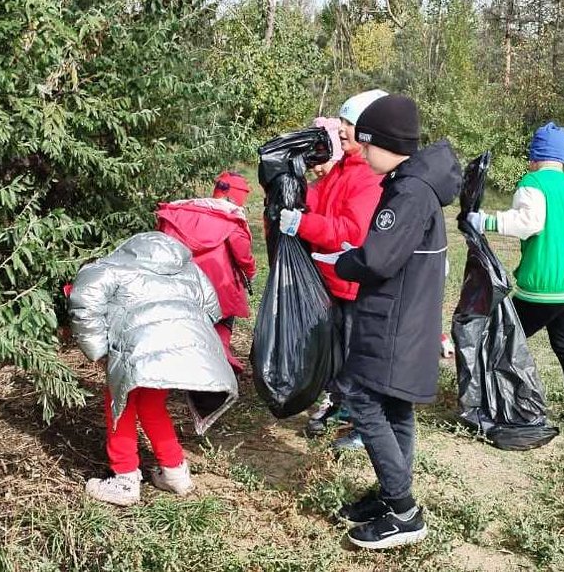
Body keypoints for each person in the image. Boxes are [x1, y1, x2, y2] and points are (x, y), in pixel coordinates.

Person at [313, 94, 462, 549]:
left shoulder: (410, 192)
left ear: (383, 142)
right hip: (406, 315)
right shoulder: (413, 183)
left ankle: (404, 512)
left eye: (364, 140)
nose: (359, 147)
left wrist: (343, 262)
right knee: (394, 406)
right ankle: (389, 495)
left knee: (362, 399)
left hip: (393, 320)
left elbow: (377, 259)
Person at [69, 232, 238, 506]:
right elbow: (212, 309)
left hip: (137, 348)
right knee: (151, 404)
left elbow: (83, 304)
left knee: (120, 405)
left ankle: (124, 479)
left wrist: (97, 350)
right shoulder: (188, 268)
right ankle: (175, 471)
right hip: (177, 347)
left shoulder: (110, 267)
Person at [466, 122, 564, 426]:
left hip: (546, 290)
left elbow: (528, 222)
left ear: (534, 156)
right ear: (562, 158)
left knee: (500, 337)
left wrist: (484, 221)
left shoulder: (534, 182)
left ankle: (490, 398)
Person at [278, 89, 387, 449]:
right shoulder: (344, 167)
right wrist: (290, 183)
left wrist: (302, 225)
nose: (341, 130)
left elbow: (351, 233)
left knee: (357, 357)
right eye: (341, 121)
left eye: (349, 123)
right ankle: (339, 406)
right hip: (332, 280)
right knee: (336, 352)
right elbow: (319, 199)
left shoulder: (368, 177)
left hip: (355, 285)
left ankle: (360, 423)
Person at [156, 172, 257, 373]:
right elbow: (243, 255)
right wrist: (250, 271)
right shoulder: (231, 220)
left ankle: (190, 363)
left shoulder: (180, 212)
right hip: (221, 283)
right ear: (238, 197)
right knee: (223, 319)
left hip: (185, 282)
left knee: (191, 323)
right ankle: (221, 358)